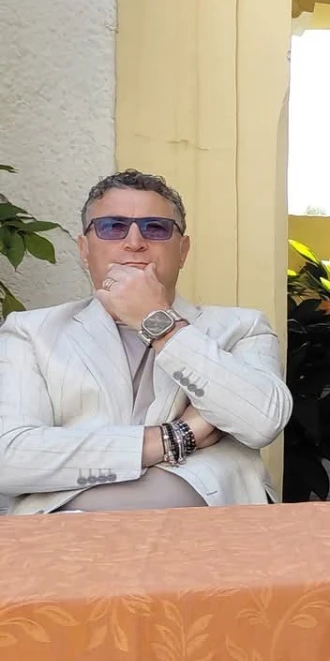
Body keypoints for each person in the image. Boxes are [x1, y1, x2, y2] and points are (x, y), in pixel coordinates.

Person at [0, 170, 292, 514]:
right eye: (113, 227)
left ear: (182, 251)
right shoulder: (31, 332)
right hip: (67, 537)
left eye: (155, 228)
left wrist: (160, 324)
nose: (134, 241)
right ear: (84, 249)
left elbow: (262, 422)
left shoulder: (242, 327)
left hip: (206, 537)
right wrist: (177, 436)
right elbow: (8, 458)